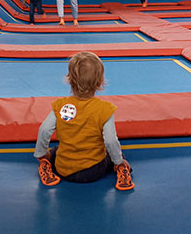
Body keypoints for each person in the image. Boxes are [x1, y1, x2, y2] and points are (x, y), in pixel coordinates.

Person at [33, 51, 133, 191]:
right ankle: (121, 168)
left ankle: (46, 163)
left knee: (55, 150)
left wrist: (41, 153)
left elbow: (44, 130)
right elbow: (110, 141)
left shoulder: (62, 106)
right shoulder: (104, 109)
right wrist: (118, 160)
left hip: (64, 169)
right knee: (114, 152)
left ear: (70, 80)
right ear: (100, 82)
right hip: (93, 171)